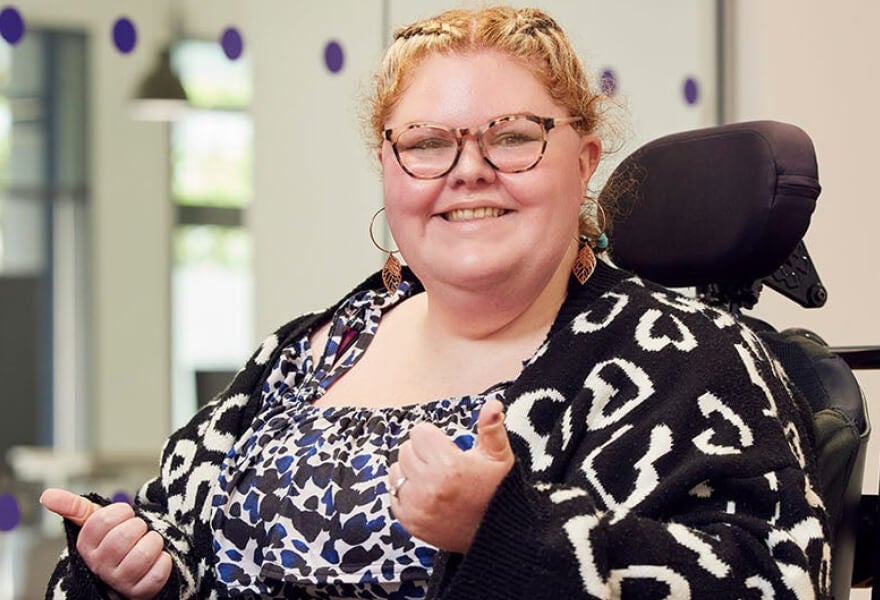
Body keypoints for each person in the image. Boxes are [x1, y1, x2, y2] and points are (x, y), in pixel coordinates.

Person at [41, 5, 831, 599]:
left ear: (583, 158)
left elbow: (774, 580)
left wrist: (509, 534)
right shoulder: (308, 351)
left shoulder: (690, 359)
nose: (468, 170)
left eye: (514, 136)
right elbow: (172, 530)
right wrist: (128, 568)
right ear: (388, 168)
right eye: (425, 144)